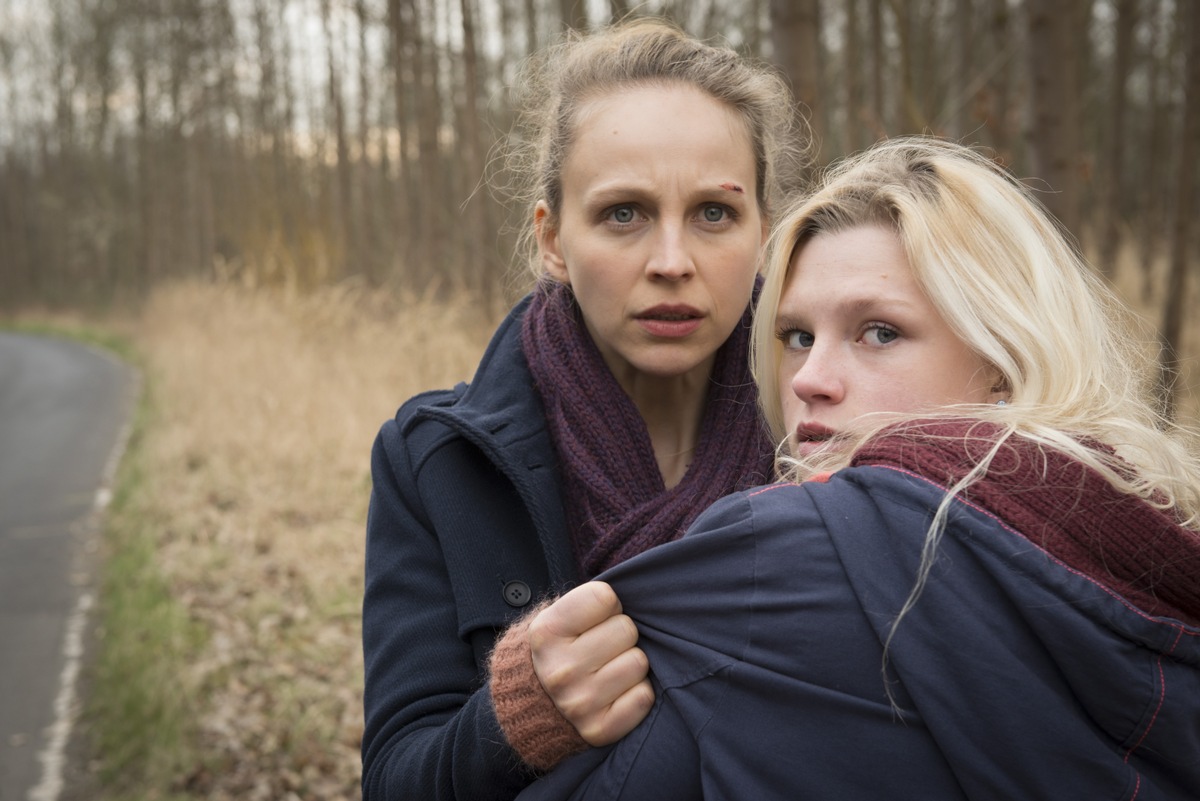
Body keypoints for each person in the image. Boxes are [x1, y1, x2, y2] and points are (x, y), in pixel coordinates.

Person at [515, 137, 1200, 800]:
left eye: (879, 332)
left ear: (1002, 360)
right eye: (798, 336)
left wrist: (508, 710)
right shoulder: (1134, 537)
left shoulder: (794, 545)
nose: (811, 378)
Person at [361, 19, 804, 801]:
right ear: (553, 238)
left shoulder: (835, 438)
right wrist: (513, 719)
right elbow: (397, 781)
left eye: (714, 213)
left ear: (764, 233)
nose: (672, 262)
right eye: (623, 213)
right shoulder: (437, 463)